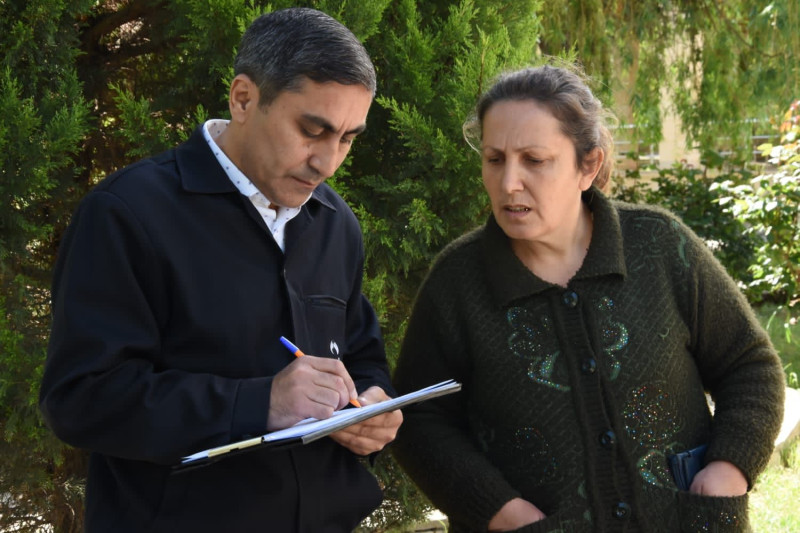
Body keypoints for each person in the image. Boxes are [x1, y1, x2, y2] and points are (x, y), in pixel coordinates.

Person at [39, 7, 402, 532]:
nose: (327, 162)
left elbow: (360, 353)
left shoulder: (335, 222)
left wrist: (370, 405)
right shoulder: (127, 213)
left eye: (347, 138)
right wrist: (261, 403)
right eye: (312, 130)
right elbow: (81, 399)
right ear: (243, 98)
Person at [391, 65, 785, 532]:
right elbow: (420, 420)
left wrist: (728, 470)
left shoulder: (659, 246)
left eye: (534, 160)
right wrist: (503, 512)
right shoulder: (458, 282)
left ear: (588, 166)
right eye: (495, 159)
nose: (509, 182)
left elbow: (749, 366)